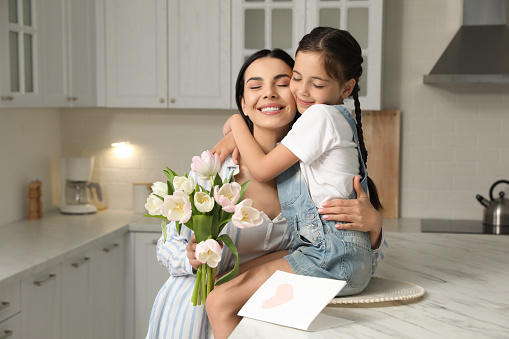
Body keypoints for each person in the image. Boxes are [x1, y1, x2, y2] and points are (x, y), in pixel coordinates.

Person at [145, 48, 387, 339]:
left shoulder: (315, 175)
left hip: (268, 320)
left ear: (300, 97)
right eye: (256, 86)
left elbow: (351, 264)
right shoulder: (214, 170)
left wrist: (373, 227)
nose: (269, 93)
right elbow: (166, 245)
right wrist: (190, 258)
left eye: (282, 83)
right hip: (193, 314)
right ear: (243, 104)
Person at [206, 27, 382, 338]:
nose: (302, 91)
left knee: (220, 301)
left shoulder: (319, 118)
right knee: (228, 280)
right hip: (335, 254)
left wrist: (236, 123)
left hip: (331, 257)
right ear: (244, 100)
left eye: (316, 84)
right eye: (297, 78)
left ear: (346, 87)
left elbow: (262, 170)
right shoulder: (332, 125)